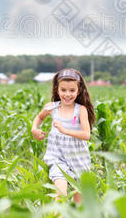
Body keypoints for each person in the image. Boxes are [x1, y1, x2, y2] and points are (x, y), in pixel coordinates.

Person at [31, 68, 96, 203]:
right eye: (63, 90)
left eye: (72, 90)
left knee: (79, 203)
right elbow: (39, 117)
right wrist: (34, 129)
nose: (67, 94)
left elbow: (86, 134)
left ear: (79, 91)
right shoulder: (51, 107)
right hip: (58, 158)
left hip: (78, 158)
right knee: (60, 195)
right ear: (57, 90)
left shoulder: (81, 110)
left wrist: (65, 130)